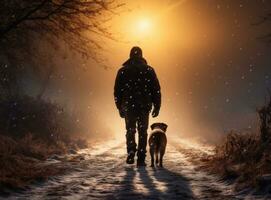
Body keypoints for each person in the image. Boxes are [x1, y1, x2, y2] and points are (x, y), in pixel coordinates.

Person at [114, 46, 161, 166]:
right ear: (141, 55)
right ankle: (141, 157)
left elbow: (117, 91)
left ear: (130, 55)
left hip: (129, 105)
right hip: (144, 105)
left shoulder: (123, 71)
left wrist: (119, 106)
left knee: (130, 130)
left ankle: (130, 150)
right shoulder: (149, 70)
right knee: (143, 131)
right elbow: (156, 90)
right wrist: (157, 106)